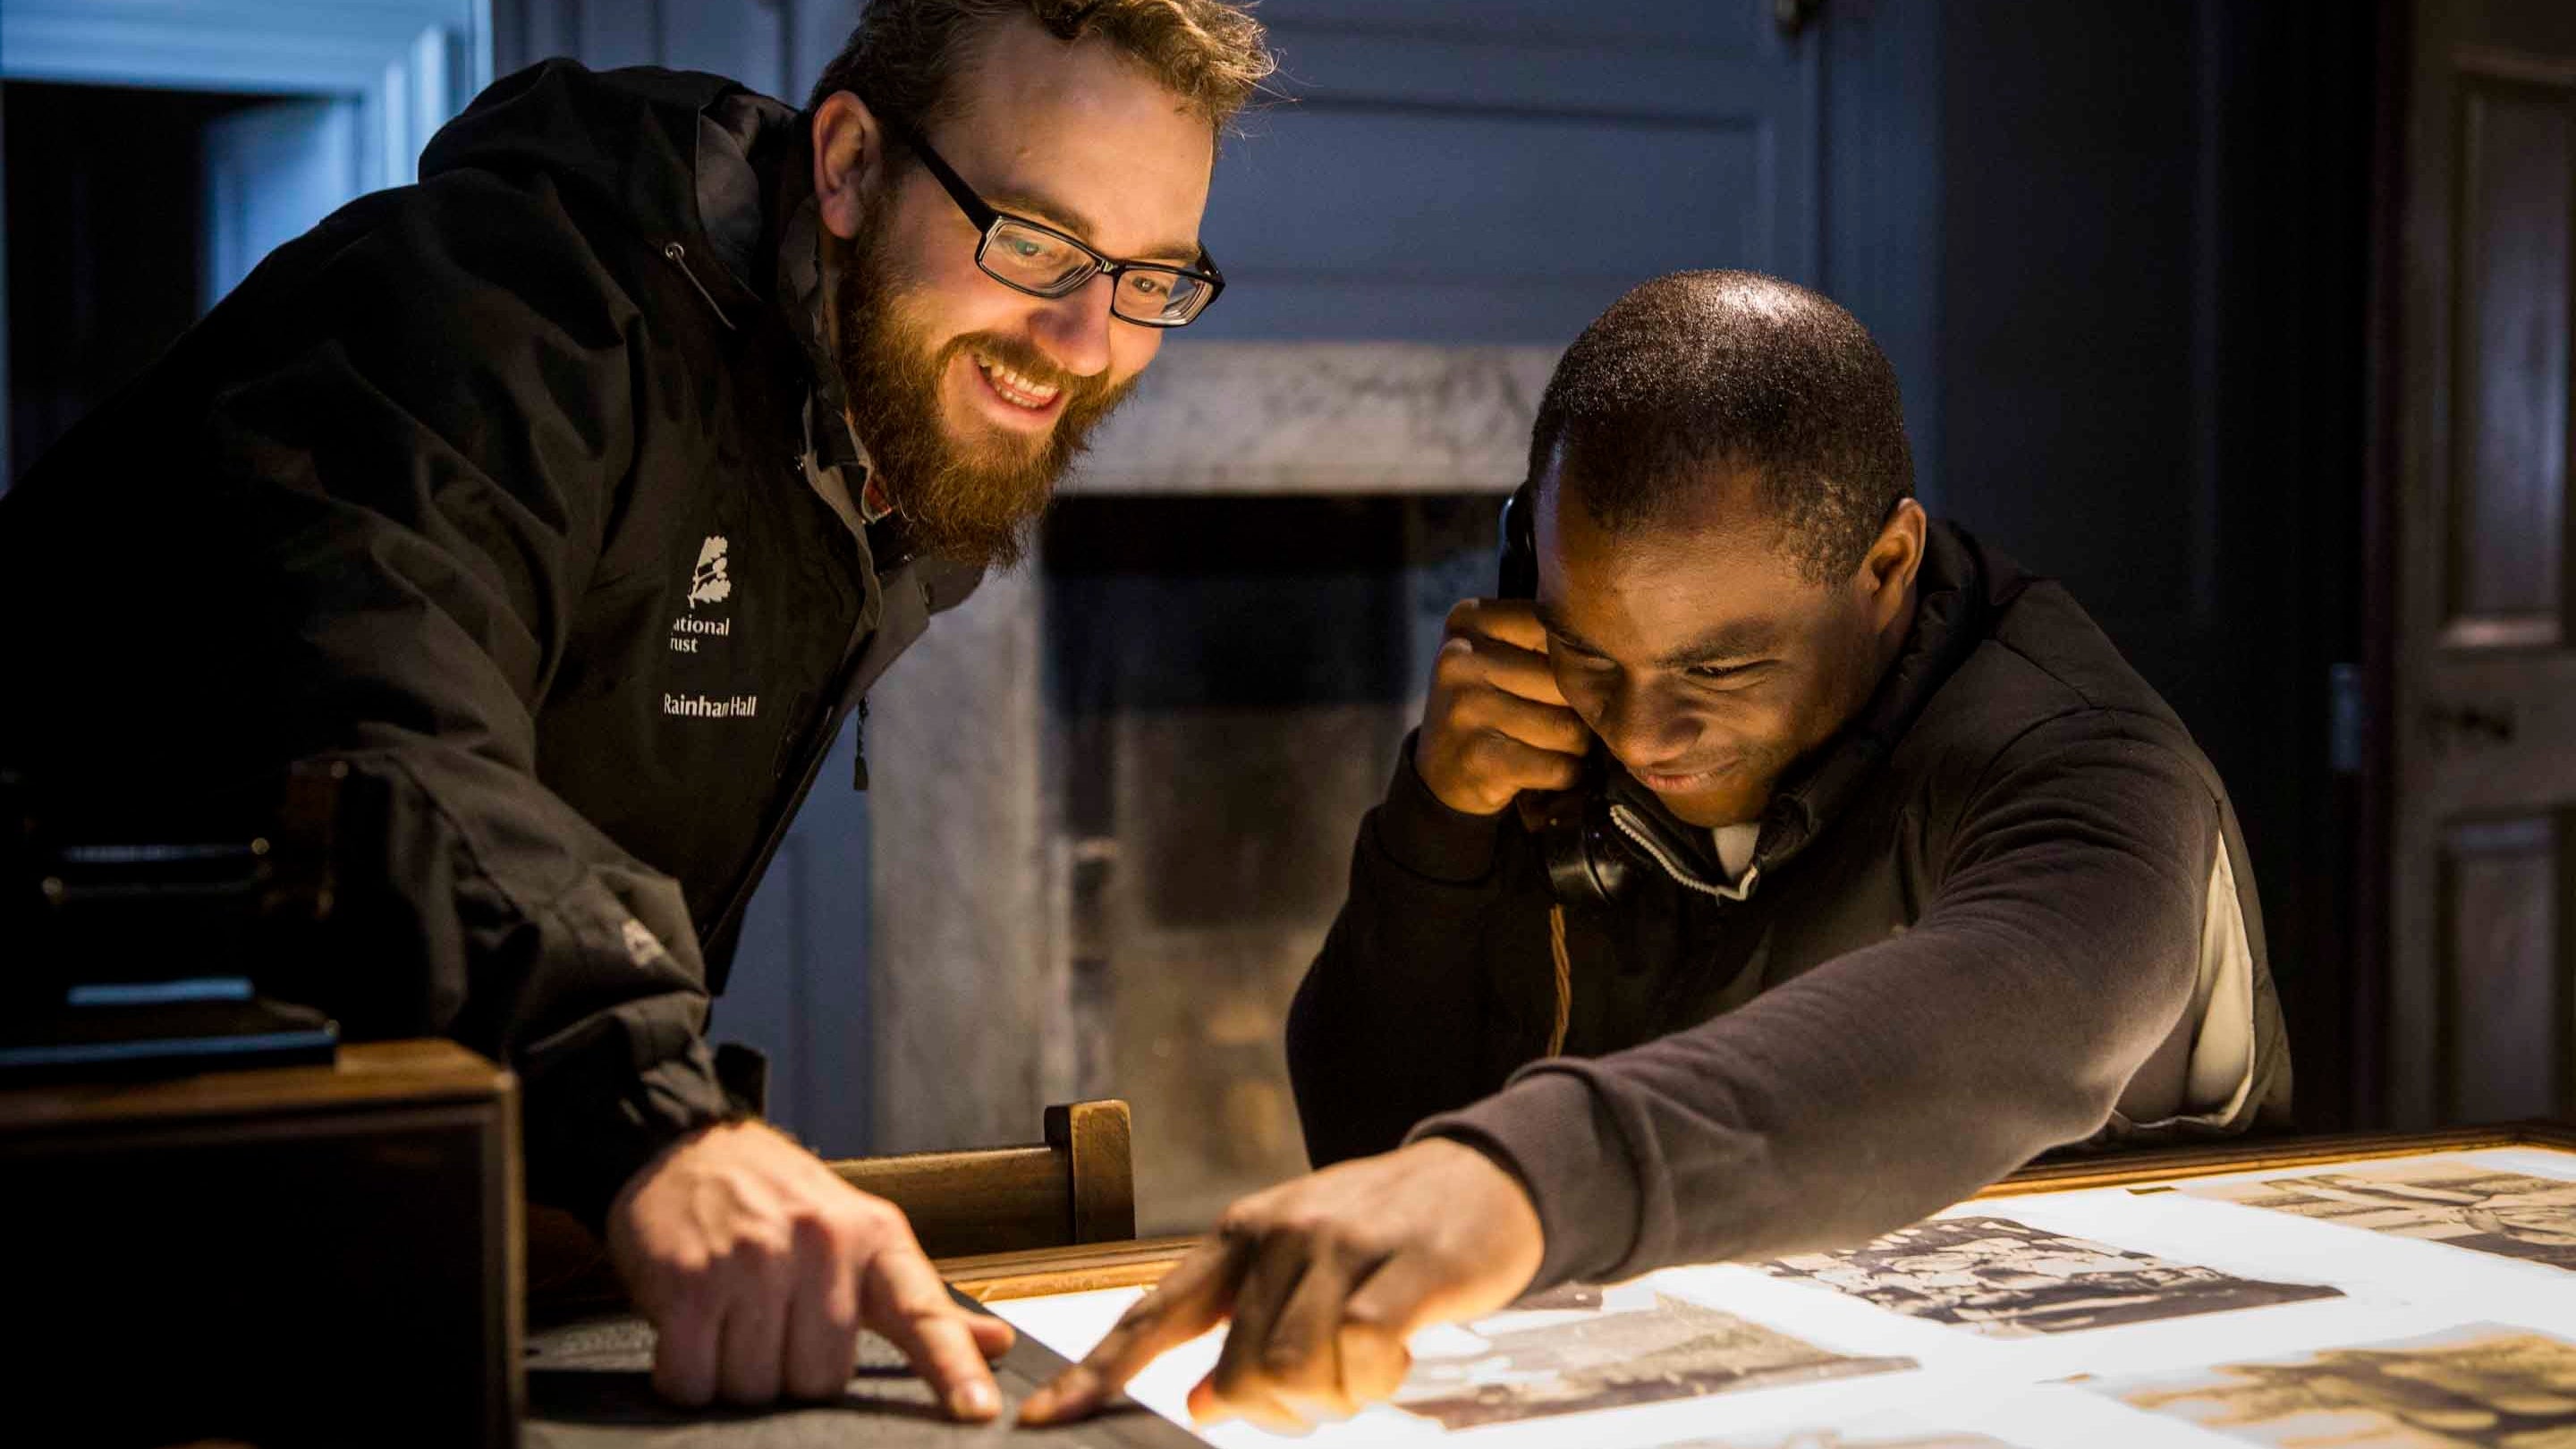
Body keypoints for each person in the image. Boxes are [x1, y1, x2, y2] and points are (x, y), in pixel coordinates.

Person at [0, 0, 1271, 1419]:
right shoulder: (509, 304)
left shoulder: (878, 439)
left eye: (1152, 277)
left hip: (378, 1233)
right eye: (1033, 242)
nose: (1087, 338)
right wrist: (658, 1120)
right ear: (848, 169)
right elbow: (379, 725)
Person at [1022, 269, 2294, 1430]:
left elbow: (2020, 1013)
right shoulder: (1550, 726)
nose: (1638, 730)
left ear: (1887, 563)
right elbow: (1372, 1145)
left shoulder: (2086, 756)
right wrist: (1436, 830)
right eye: (1591, 653)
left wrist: (1525, 1182)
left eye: (1718, 665)